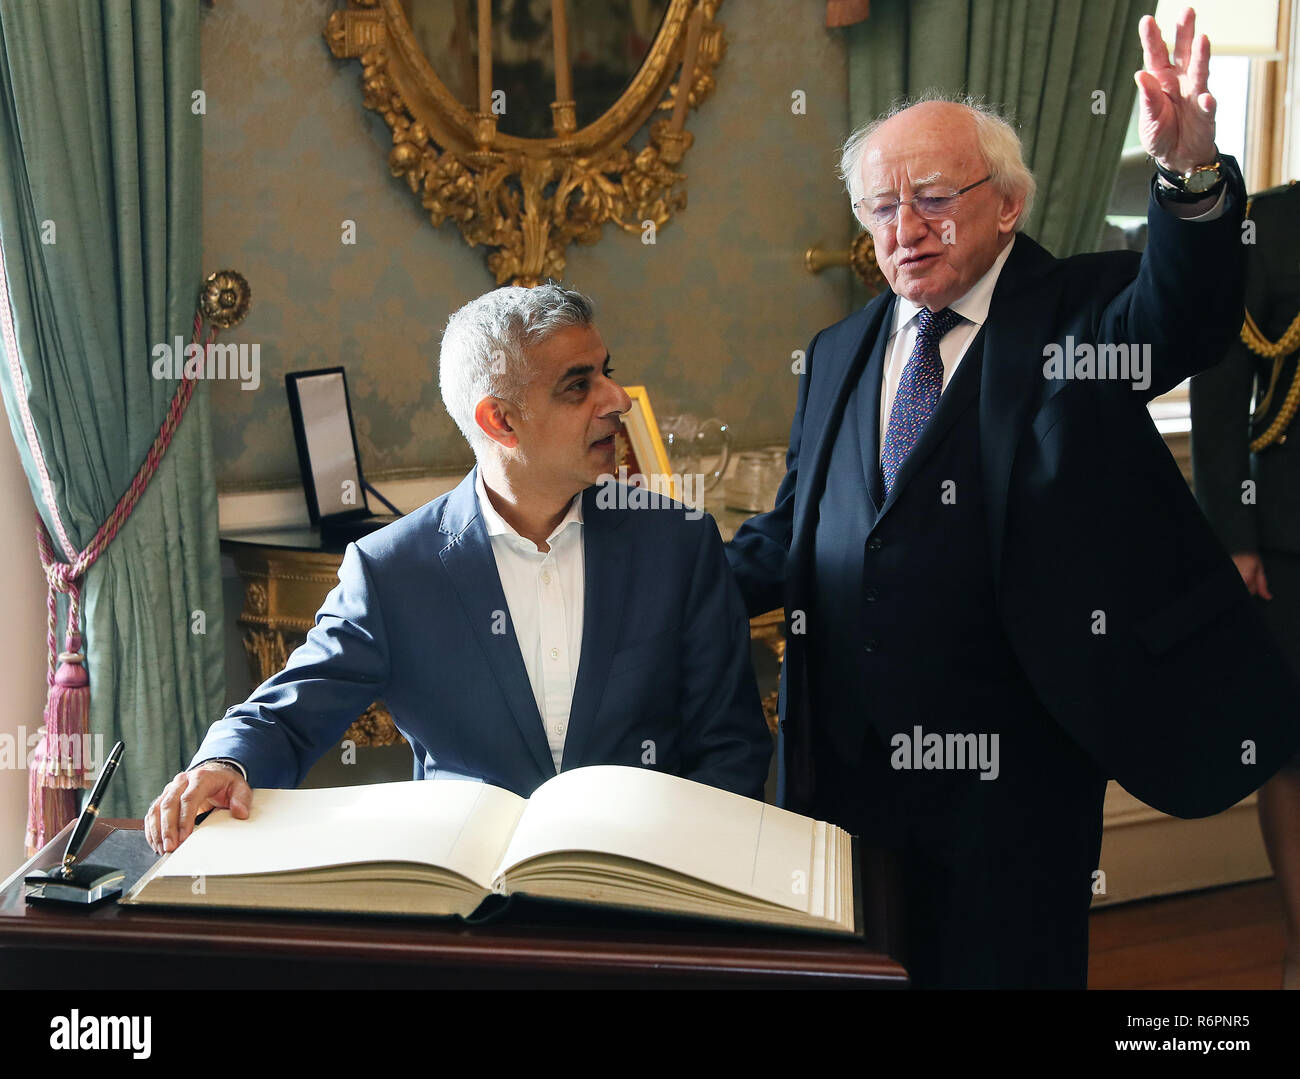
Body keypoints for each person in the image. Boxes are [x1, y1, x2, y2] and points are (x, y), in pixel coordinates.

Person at [725, 8, 1300, 988]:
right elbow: (794, 532)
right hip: (849, 763)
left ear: (1007, 204)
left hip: (1015, 772)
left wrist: (1190, 177)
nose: (904, 229)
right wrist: (648, 572)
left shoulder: (1082, 312)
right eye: (877, 208)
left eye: (935, 198)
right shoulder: (837, 352)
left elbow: (1185, 311)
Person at [145, 283, 770, 855]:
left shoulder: (678, 544)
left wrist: (688, 872)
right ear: (499, 420)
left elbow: (732, 745)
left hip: (647, 896)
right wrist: (223, 766)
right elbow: (287, 713)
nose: (616, 400)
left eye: (607, 372)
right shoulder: (393, 570)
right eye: (578, 386)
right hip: (468, 907)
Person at [1191, 179, 1300, 990]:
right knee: (1293, 757)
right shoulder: (1271, 221)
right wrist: (1233, 536)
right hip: (1288, 534)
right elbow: (1222, 383)